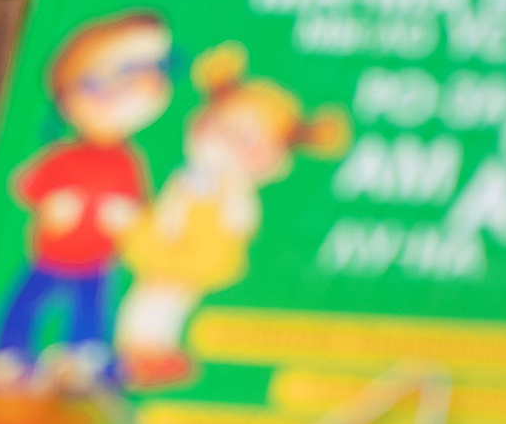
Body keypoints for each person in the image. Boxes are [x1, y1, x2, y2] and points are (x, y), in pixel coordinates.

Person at [114, 43, 349, 388]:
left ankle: (159, 350)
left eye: (251, 141)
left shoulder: (236, 188)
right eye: (225, 130)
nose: (231, 144)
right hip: (174, 244)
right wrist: (166, 228)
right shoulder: (191, 177)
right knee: (153, 293)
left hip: (205, 250)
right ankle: (134, 350)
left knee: (177, 300)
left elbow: (242, 219)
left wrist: (232, 213)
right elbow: (173, 207)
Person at [0, 10, 167, 387]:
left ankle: (83, 356)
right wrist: (52, 200)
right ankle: (11, 353)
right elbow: (27, 182)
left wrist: (128, 215)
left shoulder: (126, 159)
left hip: (97, 256)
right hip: (53, 252)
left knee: (91, 308)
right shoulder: (65, 154)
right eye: (105, 81)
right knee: (28, 301)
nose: (131, 90)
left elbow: (139, 204)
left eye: (146, 73)